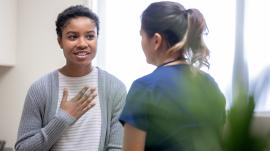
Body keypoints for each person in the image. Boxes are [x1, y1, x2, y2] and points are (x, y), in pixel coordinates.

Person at [15, 5, 126, 151]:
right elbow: (23, 149)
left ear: (97, 38)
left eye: (90, 36)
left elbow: (117, 148)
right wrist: (62, 119)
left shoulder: (115, 88)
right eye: (73, 36)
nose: (82, 44)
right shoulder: (40, 89)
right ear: (60, 41)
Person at [119, 1, 226, 151]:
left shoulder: (144, 88)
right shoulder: (210, 84)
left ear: (156, 40)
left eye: (142, 36)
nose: (141, 42)